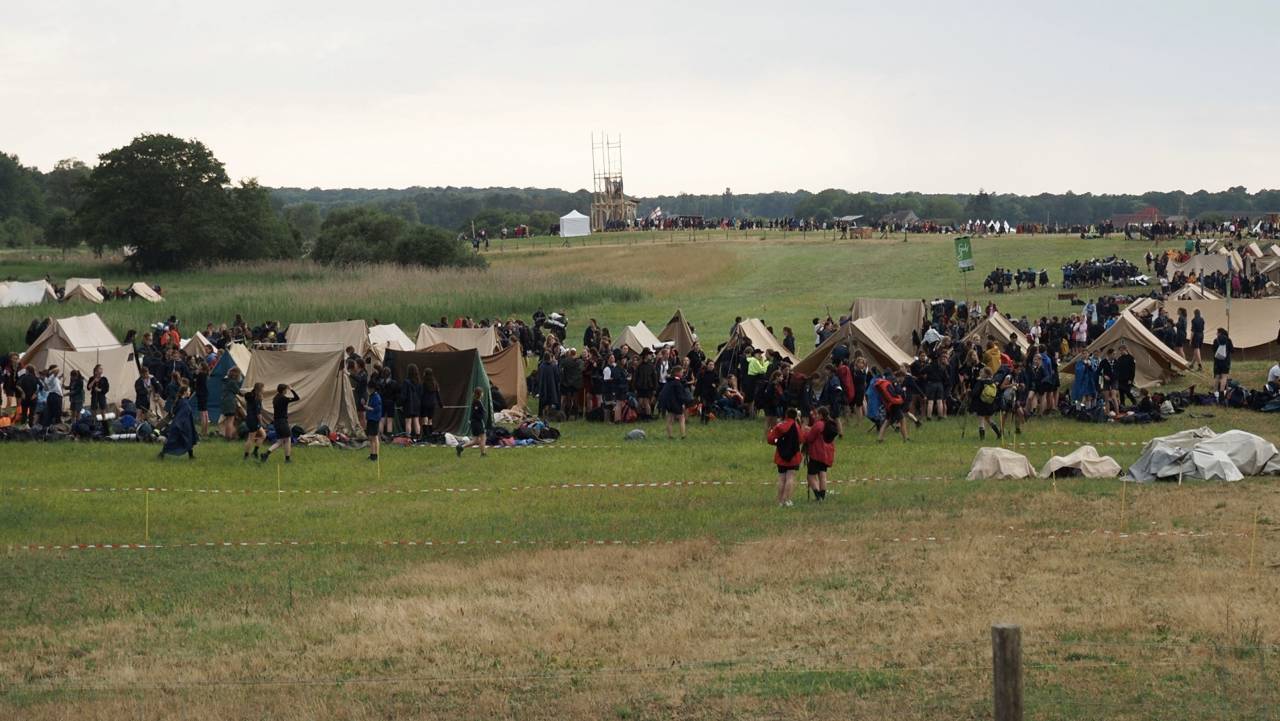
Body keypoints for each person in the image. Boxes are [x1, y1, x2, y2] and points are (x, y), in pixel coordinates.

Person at [768, 408, 803, 507]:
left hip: (781, 455)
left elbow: (770, 439)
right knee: (790, 478)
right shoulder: (797, 426)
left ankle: (779, 501)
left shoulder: (780, 425)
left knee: (781, 478)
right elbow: (801, 439)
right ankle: (787, 499)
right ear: (796, 416)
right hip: (794, 456)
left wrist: (778, 442)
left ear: (786, 415)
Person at [259, 384, 300, 463]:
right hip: (282, 421)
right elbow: (297, 398)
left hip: (276, 422)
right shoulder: (283, 398)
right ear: (284, 390)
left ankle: (265, 454)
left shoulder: (275, 398)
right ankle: (287, 459)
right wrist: (291, 389)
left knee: (280, 441)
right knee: (287, 439)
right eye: (286, 390)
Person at [803, 407, 837, 501]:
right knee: (823, 474)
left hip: (817, 453)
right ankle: (822, 495)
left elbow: (810, 438)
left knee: (810, 476)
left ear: (821, 415)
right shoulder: (829, 424)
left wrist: (806, 432)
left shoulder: (818, 424)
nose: (815, 416)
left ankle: (818, 496)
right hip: (827, 453)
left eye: (817, 414)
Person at [159, 380, 198, 460]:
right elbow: (181, 415)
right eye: (189, 391)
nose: (190, 392)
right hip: (182, 425)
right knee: (176, 440)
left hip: (185, 425)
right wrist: (178, 425)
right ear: (185, 393)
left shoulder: (182, 401)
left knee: (188, 440)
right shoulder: (184, 403)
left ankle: (191, 455)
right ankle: (162, 453)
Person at [657, 368, 692, 439]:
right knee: (682, 418)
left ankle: (670, 435)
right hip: (676, 403)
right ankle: (683, 435)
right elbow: (680, 396)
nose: (682, 374)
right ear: (677, 373)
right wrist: (685, 402)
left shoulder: (669, 381)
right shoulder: (677, 383)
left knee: (670, 419)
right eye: (681, 372)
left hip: (669, 403)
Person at [970, 367, 1002, 441]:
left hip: (981, 403)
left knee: (981, 421)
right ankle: (999, 434)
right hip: (990, 403)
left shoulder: (981, 382)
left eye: (981, 372)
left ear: (985, 374)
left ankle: (982, 439)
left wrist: (970, 393)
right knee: (989, 419)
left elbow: (975, 393)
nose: (980, 373)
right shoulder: (992, 382)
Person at [456, 387, 488, 457]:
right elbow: (475, 413)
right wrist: (482, 415)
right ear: (480, 394)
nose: (483, 394)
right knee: (483, 438)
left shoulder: (477, 401)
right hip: (477, 423)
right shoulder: (477, 402)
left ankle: (461, 447)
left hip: (474, 423)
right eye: (482, 392)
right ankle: (483, 453)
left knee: (475, 441)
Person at [243, 382, 266, 459]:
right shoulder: (257, 399)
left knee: (263, 435)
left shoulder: (251, 395)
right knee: (251, 438)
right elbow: (258, 413)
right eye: (263, 388)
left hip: (249, 418)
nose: (264, 389)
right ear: (260, 389)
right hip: (254, 420)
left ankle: (255, 451)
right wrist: (261, 422)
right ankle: (246, 455)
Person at [401, 364, 423, 440]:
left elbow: (404, 395)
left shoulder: (406, 382)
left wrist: (401, 403)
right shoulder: (419, 382)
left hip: (408, 404)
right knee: (416, 421)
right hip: (417, 404)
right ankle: (418, 438)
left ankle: (408, 438)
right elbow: (421, 394)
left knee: (408, 422)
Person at [1211, 327, 1233, 397]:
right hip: (1226, 361)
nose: (1216, 334)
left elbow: (1213, 350)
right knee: (1224, 377)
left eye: (1217, 332)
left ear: (1220, 333)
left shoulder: (1215, 340)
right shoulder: (1228, 340)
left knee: (1217, 377)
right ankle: (1221, 393)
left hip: (1217, 361)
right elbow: (1232, 350)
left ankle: (1215, 393)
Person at [193, 357, 210, 436]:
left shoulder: (200, 375)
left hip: (201, 394)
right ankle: (206, 430)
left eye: (199, 365)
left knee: (202, 413)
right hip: (205, 393)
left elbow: (196, 384)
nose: (198, 366)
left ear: (202, 367)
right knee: (206, 413)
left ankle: (203, 431)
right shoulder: (206, 374)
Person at [366, 384, 382, 462]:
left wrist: (367, 407)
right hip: (370, 418)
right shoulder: (372, 396)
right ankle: (372, 454)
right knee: (371, 438)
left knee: (375, 437)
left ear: (372, 389)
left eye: (368, 389)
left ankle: (376, 455)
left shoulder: (376, 397)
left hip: (374, 419)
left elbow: (376, 409)